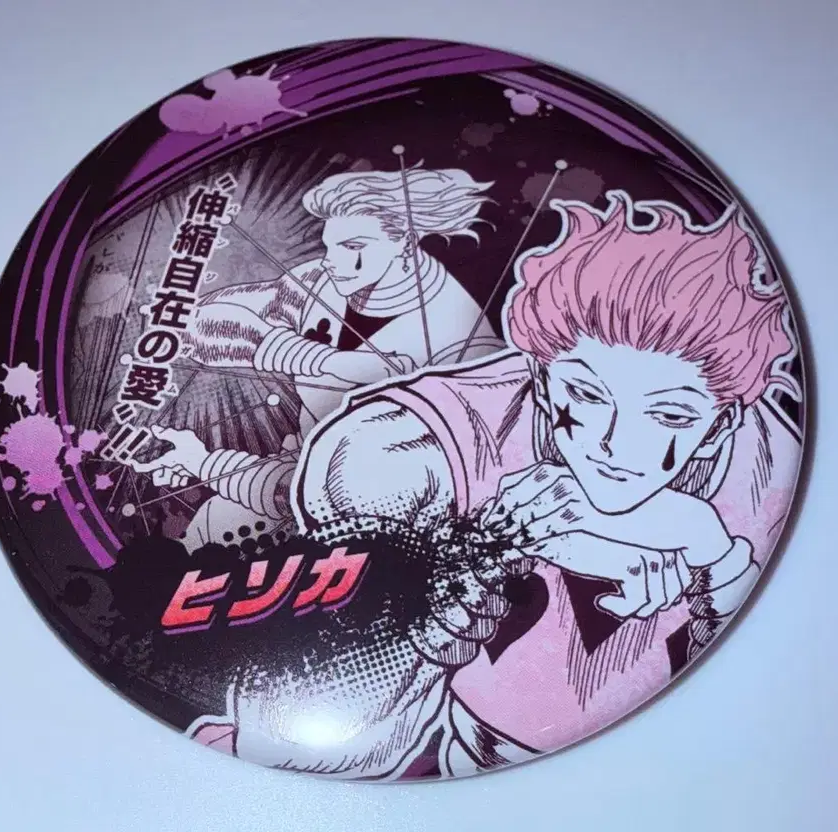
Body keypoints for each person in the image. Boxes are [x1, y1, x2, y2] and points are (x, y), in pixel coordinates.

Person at [187, 190, 802, 779]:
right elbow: (306, 714)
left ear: (721, 424)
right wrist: (477, 550)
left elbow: (772, 685)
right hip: (465, 759)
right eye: (587, 396)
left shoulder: (768, 466)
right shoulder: (402, 451)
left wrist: (713, 557)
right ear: (540, 380)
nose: (616, 444)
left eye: (668, 415)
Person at [135, 165, 504, 548]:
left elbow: (330, 497)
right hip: (286, 476)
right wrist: (325, 361)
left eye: (354, 247)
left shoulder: (463, 346)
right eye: (331, 245)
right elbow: (199, 325)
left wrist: (205, 464)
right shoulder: (321, 281)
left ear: (406, 242)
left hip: (375, 536)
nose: (333, 260)